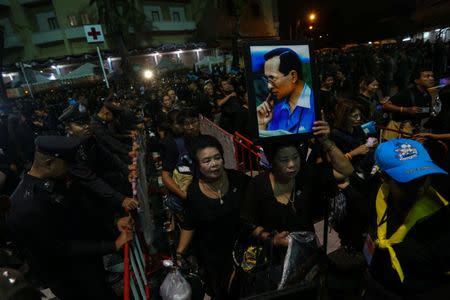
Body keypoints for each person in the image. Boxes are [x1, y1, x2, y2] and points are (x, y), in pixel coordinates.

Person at [6, 136, 133, 300]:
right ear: (49, 163)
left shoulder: (54, 181)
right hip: (71, 277)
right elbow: (58, 248)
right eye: (68, 164)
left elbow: (80, 213)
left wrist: (114, 223)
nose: (71, 168)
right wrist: (112, 245)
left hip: (89, 261)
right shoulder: (26, 206)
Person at [241, 116, 353, 292]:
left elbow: (346, 170)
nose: (292, 165)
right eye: (284, 160)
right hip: (273, 258)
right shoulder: (258, 184)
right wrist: (271, 239)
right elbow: (248, 222)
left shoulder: (306, 175)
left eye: (295, 158)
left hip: (306, 254)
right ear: (272, 162)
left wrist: (326, 141)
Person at [365, 139, 450, 299]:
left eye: (424, 177)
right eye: (408, 181)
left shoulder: (442, 220)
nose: (420, 187)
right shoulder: (378, 196)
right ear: (384, 178)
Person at [176, 135, 250, 299]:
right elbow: (189, 224)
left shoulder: (238, 179)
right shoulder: (194, 193)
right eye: (207, 160)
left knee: (247, 289)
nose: (214, 164)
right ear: (198, 165)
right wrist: (179, 253)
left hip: (244, 251)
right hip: (212, 258)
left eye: (217, 157)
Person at [256, 48, 315, 136]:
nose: (269, 86)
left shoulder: (316, 104)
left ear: (293, 76)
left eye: (272, 78)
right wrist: (262, 124)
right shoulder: (276, 110)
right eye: (267, 79)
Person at [382, 67, 435, 138]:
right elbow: (386, 105)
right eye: (427, 76)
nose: (431, 78)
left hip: (413, 130)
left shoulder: (426, 93)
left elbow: (423, 111)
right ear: (416, 81)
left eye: (432, 76)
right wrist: (405, 109)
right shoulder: (407, 92)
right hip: (398, 132)